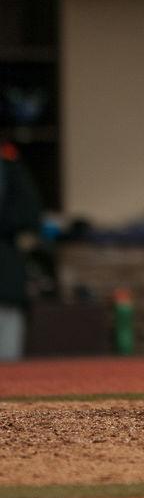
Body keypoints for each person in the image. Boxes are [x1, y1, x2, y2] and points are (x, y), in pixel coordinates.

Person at [0, 142, 41, 361]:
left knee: (8, 363)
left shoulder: (10, 169)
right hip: (8, 269)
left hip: (6, 271)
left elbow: (28, 218)